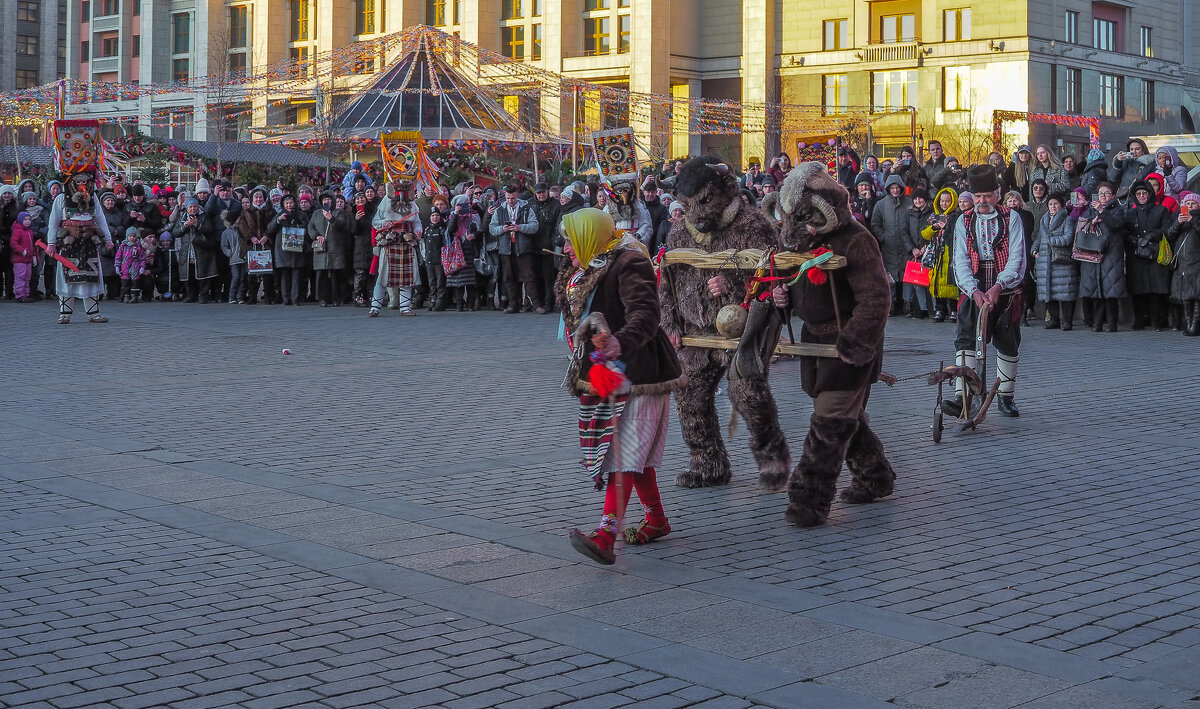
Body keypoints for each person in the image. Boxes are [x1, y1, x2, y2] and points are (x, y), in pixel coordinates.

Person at [769, 161, 895, 527]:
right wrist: (785, 300)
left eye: (806, 218)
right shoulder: (806, 241)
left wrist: (854, 342)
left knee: (830, 422)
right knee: (845, 419)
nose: (800, 227)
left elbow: (877, 298)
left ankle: (807, 502)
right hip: (815, 344)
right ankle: (875, 477)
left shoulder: (857, 240)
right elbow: (800, 288)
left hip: (847, 344)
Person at [556, 208, 685, 565]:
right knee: (634, 457)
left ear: (589, 234)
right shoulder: (586, 264)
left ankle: (605, 534)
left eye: (571, 239)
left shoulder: (629, 261)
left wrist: (619, 341)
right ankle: (656, 520)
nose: (566, 247)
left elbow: (645, 314)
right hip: (607, 373)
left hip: (641, 372)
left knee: (625, 455)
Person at [942, 165, 1027, 419]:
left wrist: (999, 285)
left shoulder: (1012, 217)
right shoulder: (963, 220)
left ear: (997, 194)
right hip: (974, 290)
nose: (982, 201)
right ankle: (963, 398)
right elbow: (960, 260)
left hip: (1005, 292)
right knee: (967, 342)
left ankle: (1005, 397)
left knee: (1007, 343)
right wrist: (974, 291)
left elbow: (1017, 258)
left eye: (987, 196)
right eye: (977, 196)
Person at [45, 171, 116, 323]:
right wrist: (51, 243)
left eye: (85, 181)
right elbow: (53, 222)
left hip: (89, 241)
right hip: (69, 242)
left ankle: (93, 313)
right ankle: (65, 313)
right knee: (67, 276)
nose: (82, 184)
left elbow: (101, 219)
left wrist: (108, 238)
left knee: (91, 277)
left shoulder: (93, 198)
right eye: (78, 181)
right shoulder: (61, 198)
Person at [1077, 182, 1127, 332]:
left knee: (1111, 290)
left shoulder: (1118, 210)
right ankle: (1097, 323)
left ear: (1112, 195)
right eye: (1101, 194)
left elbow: (1115, 225)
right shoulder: (1090, 210)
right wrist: (1092, 221)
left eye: (1106, 193)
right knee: (1096, 289)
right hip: (1092, 253)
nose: (1103, 196)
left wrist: (1102, 212)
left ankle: (1112, 323)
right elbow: (1080, 227)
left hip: (1111, 254)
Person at [1123, 180, 1172, 330]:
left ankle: (1157, 321)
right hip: (1136, 254)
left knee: (1156, 290)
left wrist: (1152, 236)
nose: (1142, 196)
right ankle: (1139, 320)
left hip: (1155, 253)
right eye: (1138, 193)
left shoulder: (1161, 210)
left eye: (1144, 193)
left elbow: (1167, 229)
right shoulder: (1130, 212)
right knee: (1137, 289)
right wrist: (1131, 239)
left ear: (1150, 194)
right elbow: (1124, 231)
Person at [371, 181, 423, 317]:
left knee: (407, 277)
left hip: (406, 242)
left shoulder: (412, 203)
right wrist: (384, 223)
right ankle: (375, 307)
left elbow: (417, 222)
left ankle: (405, 307)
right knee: (383, 276)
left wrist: (418, 231)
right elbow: (375, 221)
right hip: (390, 241)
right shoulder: (386, 201)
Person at [489, 184, 541, 314]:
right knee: (509, 277)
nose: (510, 201)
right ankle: (513, 304)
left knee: (529, 276)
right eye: (508, 198)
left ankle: (536, 304)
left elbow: (535, 226)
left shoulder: (525, 208)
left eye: (512, 198)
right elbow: (492, 228)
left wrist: (520, 227)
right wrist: (503, 229)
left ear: (517, 195)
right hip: (506, 248)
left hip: (523, 247)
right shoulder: (500, 210)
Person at [1031, 193, 1080, 330]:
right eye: (1051, 204)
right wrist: (1034, 250)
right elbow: (1039, 237)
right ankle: (1054, 319)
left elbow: (1068, 238)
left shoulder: (1067, 219)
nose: (1053, 206)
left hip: (1061, 260)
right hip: (1045, 261)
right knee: (1049, 293)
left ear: (1061, 205)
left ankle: (1067, 321)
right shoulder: (1044, 220)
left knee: (1066, 293)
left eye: (1056, 204)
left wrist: (1051, 241)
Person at [869, 174, 913, 315]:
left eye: (897, 188)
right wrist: (883, 237)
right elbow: (875, 224)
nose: (895, 190)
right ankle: (891, 303)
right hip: (889, 246)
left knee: (907, 276)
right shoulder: (881, 204)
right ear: (888, 189)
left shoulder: (909, 203)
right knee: (890, 276)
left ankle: (908, 303)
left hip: (907, 247)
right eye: (892, 188)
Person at [923, 187, 962, 322]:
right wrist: (934, 227)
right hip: (936, 252)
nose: (944, 204)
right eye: (942, 201)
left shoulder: (956, 216)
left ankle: (954, 309)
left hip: (950, 253)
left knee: (951, 281)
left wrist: (946, 228)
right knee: (936, 281)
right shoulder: (934, 216)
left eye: (947, 201)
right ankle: (940, 309)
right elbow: (925, 235)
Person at [1167, 192, 1200, 336]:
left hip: (1196, 262)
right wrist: (1178, 223)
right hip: (1182, 263)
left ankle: (1195, 325)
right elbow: (1169, 235)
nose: (1189, 206)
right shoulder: (1179, 218)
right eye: (1187, 203)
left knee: (1196, 295)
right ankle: (1188, 323)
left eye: (1193, 203)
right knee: (1185, 295)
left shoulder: (1196, 219)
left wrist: (1193, 220)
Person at [309, 192, 349, 307]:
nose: (326, 202)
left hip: (335, 248)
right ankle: (322, 299)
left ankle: (336, 298)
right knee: (321, 275)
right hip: (321, 249)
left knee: (336, 275)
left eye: (329, 199)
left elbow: (342, 224)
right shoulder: (316, 213)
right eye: (324, 199)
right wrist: (316, 236)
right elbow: (310, 227)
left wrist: (331, 218)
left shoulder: (339, 212)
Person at [528, 182, 562, 313]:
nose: (541, 195)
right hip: (533, 247)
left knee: (549, 278)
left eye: (543, 192)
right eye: (539, 193)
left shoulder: (556, 205)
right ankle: (539, 303)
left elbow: (558, 225)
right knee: (536, 277)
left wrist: (554, 242)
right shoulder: (530, 204)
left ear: (547, 192)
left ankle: (549, 303)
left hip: (548, 247)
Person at [445, 194, 481, 311]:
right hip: (456, 251)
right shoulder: (452, 216)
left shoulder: (473, 216)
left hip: (469, 250)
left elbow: (480, 231)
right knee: (458, 281)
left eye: (467, 203)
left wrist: (474, 235)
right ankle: (459, 305)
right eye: (463, 204)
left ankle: (470, 305)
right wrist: (456, 213)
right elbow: (450, 229)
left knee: (470, 281)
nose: (466, 206)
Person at [904, 189, 934, 318]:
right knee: (917, 282)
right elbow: (904, 232)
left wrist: (925, 247)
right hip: (914, 252)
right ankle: (923, 308)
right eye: (915, 199)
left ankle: (934, 308)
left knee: (931, 281)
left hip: (928, 251)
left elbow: (933, 231)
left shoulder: (931, 213)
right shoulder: (908, 213)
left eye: (920, 198)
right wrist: (912, 248)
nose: (918, 201)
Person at [114, 226, 149, 303]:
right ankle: (125, 295)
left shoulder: (139, 246)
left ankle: (134, 296)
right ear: (127, 236)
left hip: (135, 266)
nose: (132, 238)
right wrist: (117, 266)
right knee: (125, 282)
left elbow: (142, 258)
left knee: (135, 283)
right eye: (130, 236)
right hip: (125, 267)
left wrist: (142, 267)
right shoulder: (123, 246)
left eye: (134, 236)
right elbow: (118, 257)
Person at [9, 211, 35, 302]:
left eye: (29, 219)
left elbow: (32, 245)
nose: (27, 221)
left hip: (28, 258)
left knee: (27, 277)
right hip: (19, 259)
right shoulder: (17, 231)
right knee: (20, 276)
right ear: (20, 220)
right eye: (25, 220)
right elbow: (13, 244)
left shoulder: (29, 231)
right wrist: (22, 251)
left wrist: (34, 256)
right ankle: (20, 295)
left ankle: (26, 294)